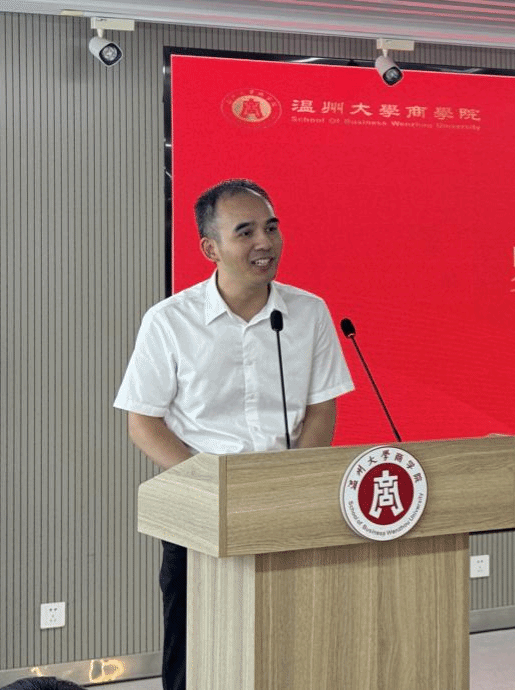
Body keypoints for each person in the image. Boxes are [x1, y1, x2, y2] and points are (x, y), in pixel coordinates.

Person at [114, 179, 355, 690]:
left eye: (271, 227)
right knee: (196, 653)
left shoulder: (308, 312)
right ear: (211, 248)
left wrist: (292, 480)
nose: (264, 242)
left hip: (283, 507)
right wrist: (212, 485)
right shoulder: (170, 322)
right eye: (245, 232)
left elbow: (321, 408)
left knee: (288, 646)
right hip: (201, 510)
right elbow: (143, 423)